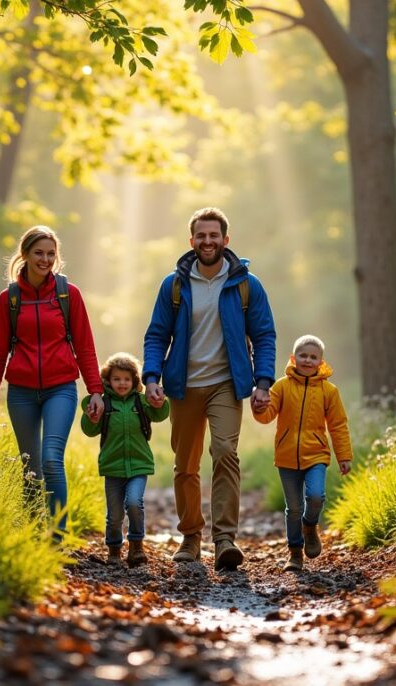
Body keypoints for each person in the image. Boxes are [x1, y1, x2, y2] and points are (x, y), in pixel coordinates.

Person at [142, 207, 276, 570]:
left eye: (213, 235)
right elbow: (157, 335)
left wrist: (263, 383)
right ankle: (190, 536)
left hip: (226, 385)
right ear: (192, 241)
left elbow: (263, 336)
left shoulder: (246, 284)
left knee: (224, 452)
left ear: (225, 240)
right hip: (184, 386)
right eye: (201, 236)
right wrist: (151, 377)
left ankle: (224, 540)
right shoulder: (175, 284)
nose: (207, 241)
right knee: (185, 466)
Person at [0, 226, 105, 540]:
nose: (45, 259)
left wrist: (95, 391)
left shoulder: (68, 294)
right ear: (24, 255)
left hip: (60, 387)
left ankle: (56, 536)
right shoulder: (8, 299)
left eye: (51, 253)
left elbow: (85, 345)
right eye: (39, 253)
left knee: (51, 458)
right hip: (21, 391)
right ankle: (34, 533)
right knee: (30, 467)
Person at [252, 335, 353, 571]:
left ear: (321, 361)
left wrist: (344, 456)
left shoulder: (329, 391)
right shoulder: (281, 386)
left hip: (316, 454)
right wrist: (258, 408)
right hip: (286, 456)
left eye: (313, 357)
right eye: (303, 355)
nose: (307, 360)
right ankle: (295, 553)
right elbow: (267, 416)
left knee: (316, 496)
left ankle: (310, 525)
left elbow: (338, 425)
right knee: (293, 508)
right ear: (293, 358)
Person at [80, 352, 170, 567]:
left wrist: (160, 403)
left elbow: (159, 415)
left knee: (134, 503)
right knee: (114, 514)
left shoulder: (140, 402)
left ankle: (136, 547)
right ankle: (113, 550)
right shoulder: (104, 404)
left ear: (134, 381)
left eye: (127, 379)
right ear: (108, 381)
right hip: (112, 466)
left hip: (139, 464)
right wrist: (91, 417)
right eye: (117, 379)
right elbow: (89, 430)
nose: (122, 383)